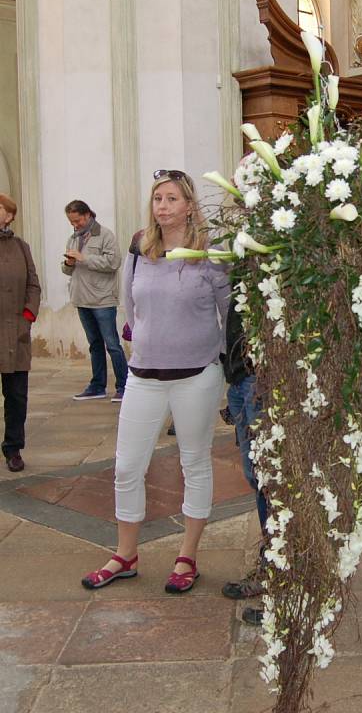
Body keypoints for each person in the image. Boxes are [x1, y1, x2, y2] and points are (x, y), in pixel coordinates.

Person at [82, 170, 229, 592]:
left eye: (171, 199)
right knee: (127, 466)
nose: (162, 206)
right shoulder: (138, 247)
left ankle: (187, 555)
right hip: (144, 375)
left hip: (196, 376)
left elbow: (228, 308)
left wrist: (216, 359)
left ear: (188, 205)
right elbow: (129, 302)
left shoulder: (209, 250)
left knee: (194, 463)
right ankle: (125, 553)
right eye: (157, 198)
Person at [221, 293, 269, 603]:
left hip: (262, 379)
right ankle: (275, 557)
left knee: (271, 477)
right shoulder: (241, 254)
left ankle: (280, 568)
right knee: (256, 476)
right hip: (240, 377)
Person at [62, 201, 128, 402]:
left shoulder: (105, 235)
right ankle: (97, 386)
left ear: (88, 214)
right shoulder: (73, 238)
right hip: (81, 299)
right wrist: (68, 263)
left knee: (113, 345)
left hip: (103, 299)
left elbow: (114, 262)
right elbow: (67, 271)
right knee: (94, 345)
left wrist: (84, 258)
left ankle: (123, 386)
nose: (75, 225)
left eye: (78, 220)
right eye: (71, 222)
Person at [0, 194, 41, 473]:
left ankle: (13, 448)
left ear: (9, 215)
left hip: (16, 332)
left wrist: (27, 316)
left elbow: (33, 285)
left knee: (16, 396)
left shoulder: (21, 247)